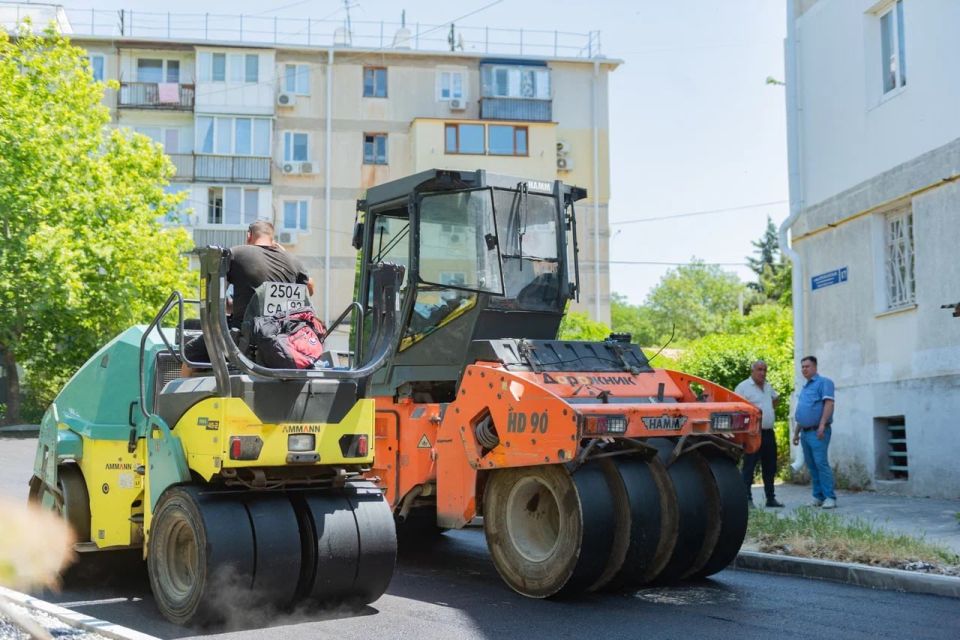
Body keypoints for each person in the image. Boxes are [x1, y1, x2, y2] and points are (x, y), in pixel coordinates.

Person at [181, 221, 314, 376]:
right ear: (273, 238)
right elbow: (309, 289)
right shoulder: (293, 261)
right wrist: (285, 254)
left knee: (189, 357)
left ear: (249, 235)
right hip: (284, 338)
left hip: (243, 338)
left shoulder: (237, 254)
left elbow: (216, 298)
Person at [735, 360, 783, 508]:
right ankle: (747, 499)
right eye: (759, 370)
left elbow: (776, 399)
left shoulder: (768, 386)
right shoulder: (743, 387)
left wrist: (767, 410)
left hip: (768, 433)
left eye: (765, 370)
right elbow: (736, 408)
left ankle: (770, 498)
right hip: (752, 434)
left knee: (770, 466)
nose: (762, 373)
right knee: (749, 466)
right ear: (753, 371)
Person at [792, 355, 837, 509]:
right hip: (805, 432)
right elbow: (803, 411)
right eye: (802, 366)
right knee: (811, 465)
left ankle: (830, 497)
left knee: (821, 463)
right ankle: (818, 496)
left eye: (807, 366)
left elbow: (829, 403)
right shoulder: (805, 387)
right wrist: (796, 432)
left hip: (818, 431)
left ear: (815, 367)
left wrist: (822, 425)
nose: (804, 369)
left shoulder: (824, 383)